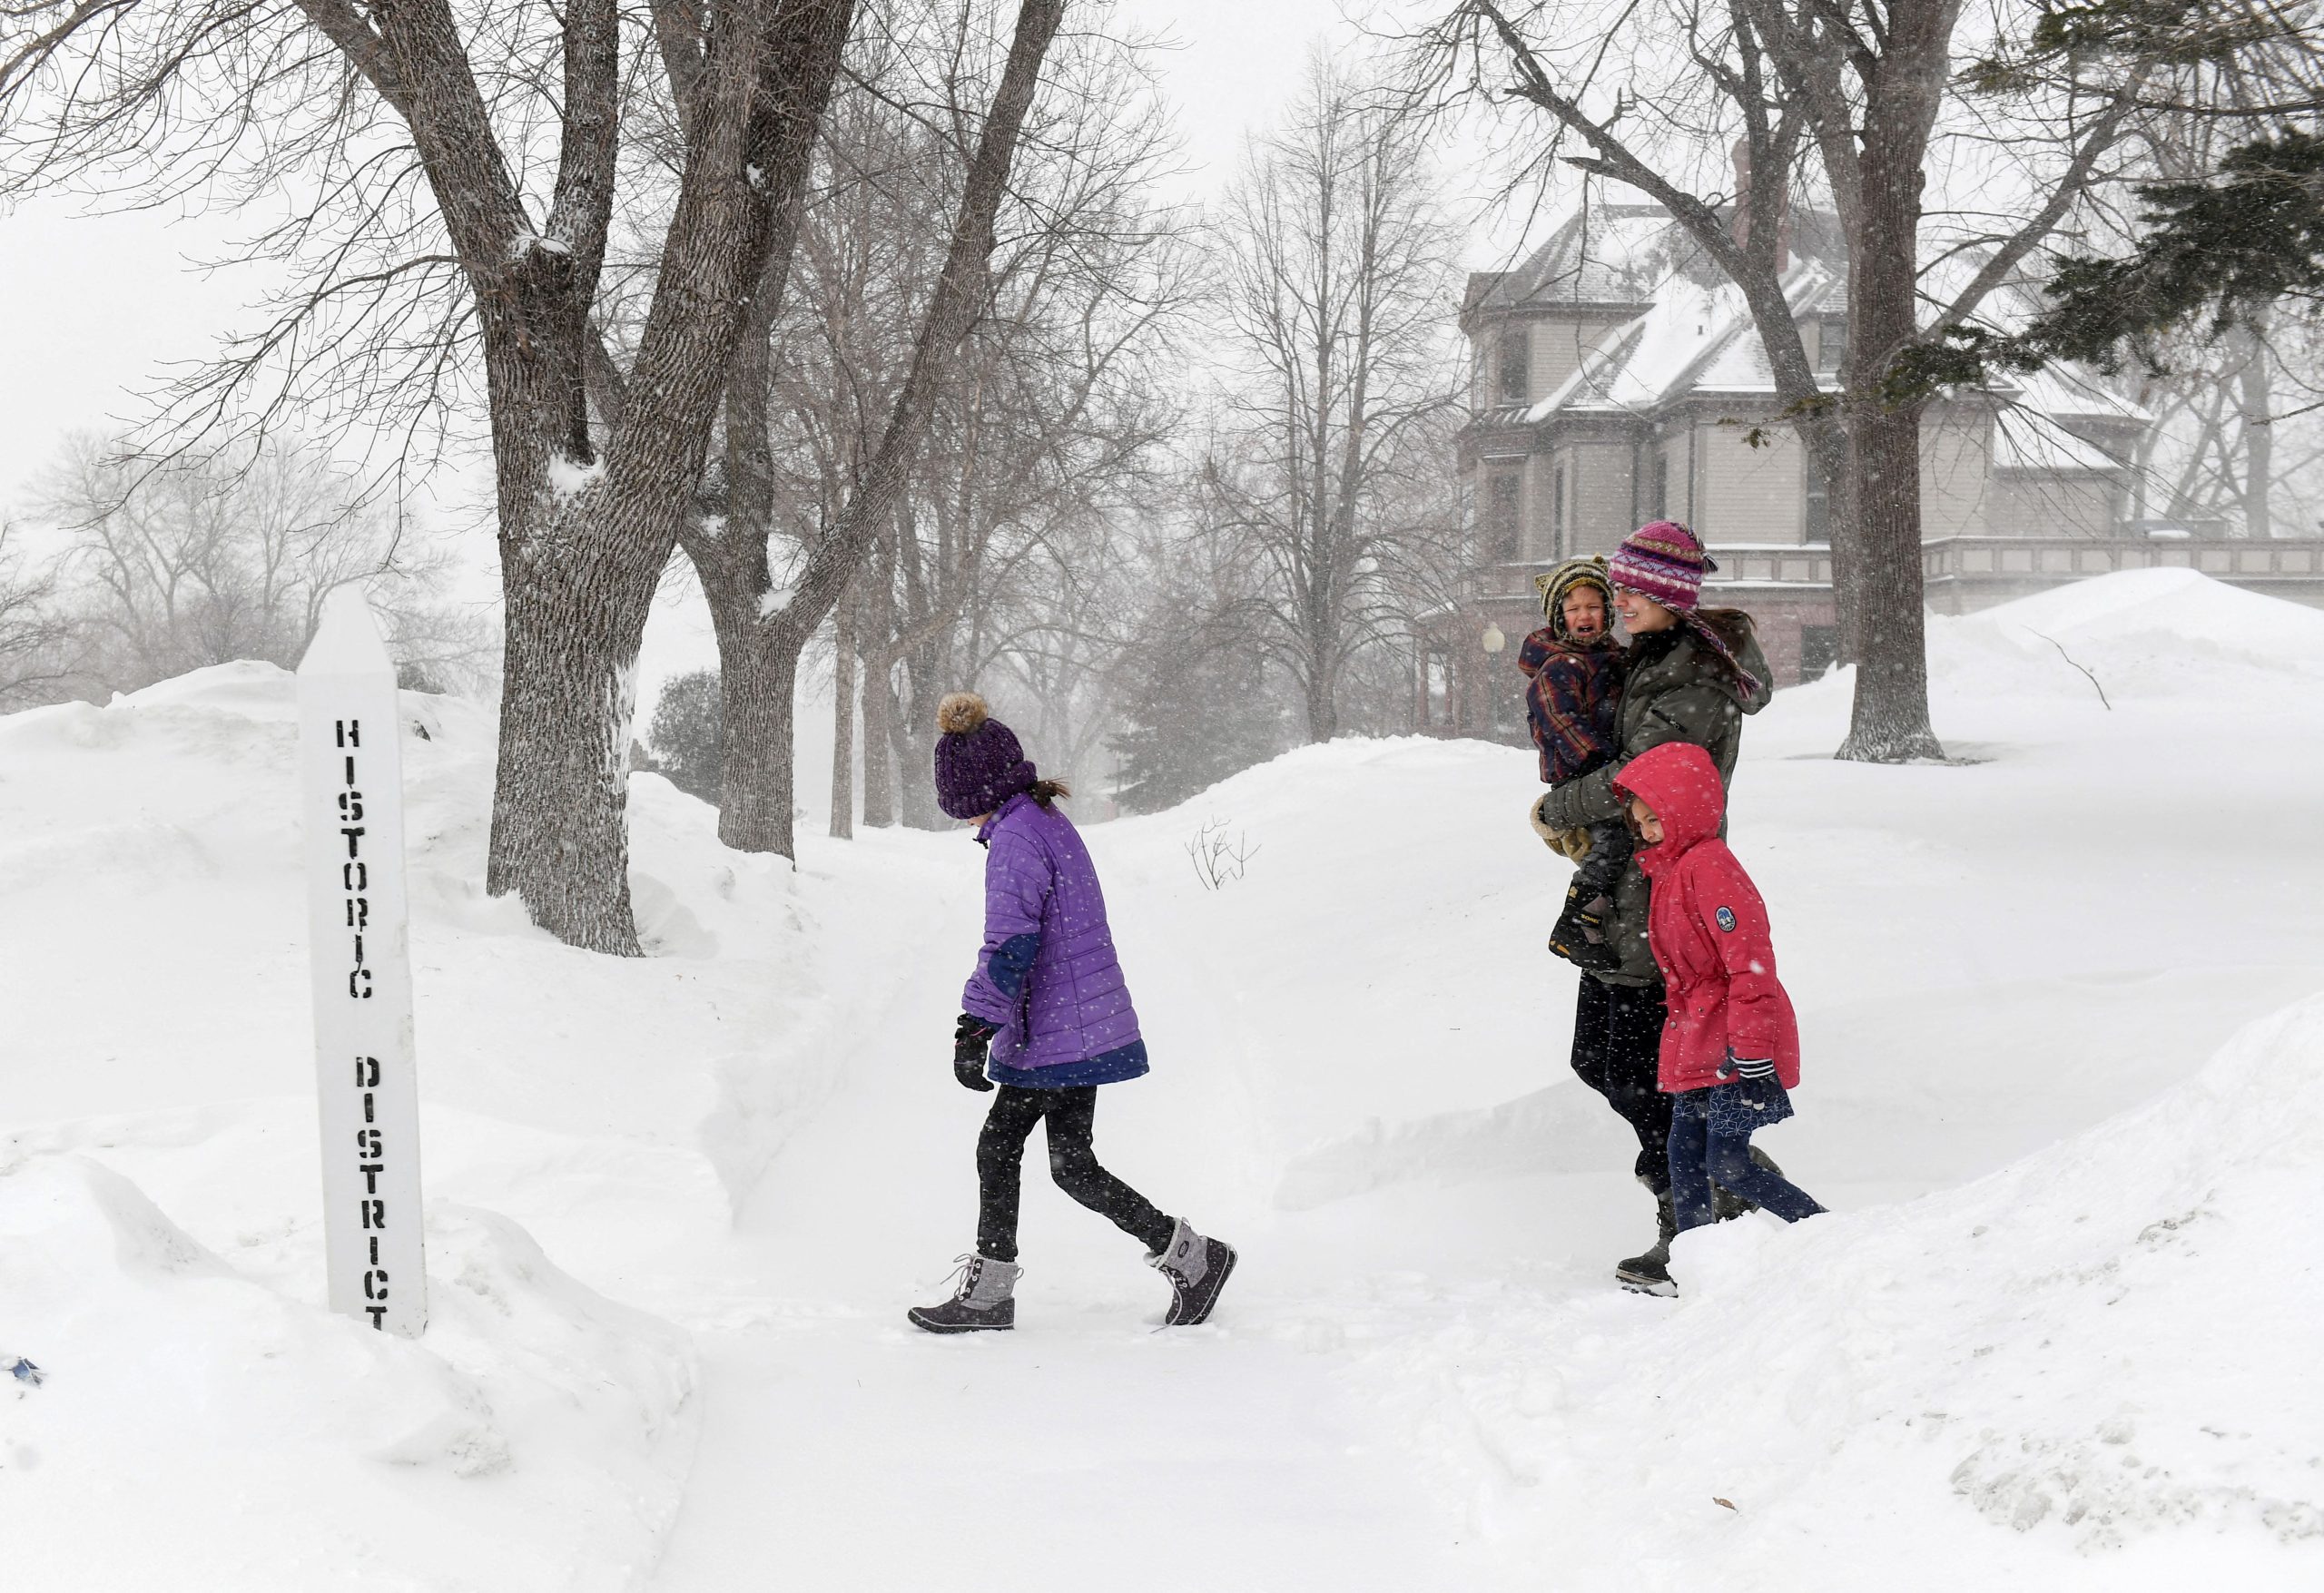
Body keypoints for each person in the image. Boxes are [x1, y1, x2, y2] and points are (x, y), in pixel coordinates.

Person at [908, 691, 1236, 1334]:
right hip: (1067, 1024)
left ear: (970, 788)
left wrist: (974, 1025)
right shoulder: (1040, 818)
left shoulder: (1015, 839)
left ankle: (992, 1295)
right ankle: (1194, 1260)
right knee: (1067, 1164)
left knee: (1006, 1148)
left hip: (1060, 1028)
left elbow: (1011, 942)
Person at [1532, 521, 1775, 1293]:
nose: (1616, 599)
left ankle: (1706, 1208)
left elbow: (1647, 774)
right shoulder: (1649, 657)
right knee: (1599, 1058)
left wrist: (1560, 805)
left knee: (1645, 1069)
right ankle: (1717, 1185)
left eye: (1632, 590)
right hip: (1625, 888)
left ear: (1668, 597)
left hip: (1664, 895)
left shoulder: (1692, 676)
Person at [1611, 739, 1825, 1295]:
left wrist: (1752, 1047)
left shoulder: (1710, 868)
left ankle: (1832, 1237)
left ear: (1686, 809)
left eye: (1656, 818)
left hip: (1736, 1043)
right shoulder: (1670, 870)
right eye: (1641, 822)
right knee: (1683, 1155)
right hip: (1697, 1037)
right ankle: (1699, 1269)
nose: (1649, 831)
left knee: (1727, 1163)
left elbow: (1750, 965)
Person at [1515, 556, 1630, 970]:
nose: (1585, 615)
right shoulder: (1559, 667)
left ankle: (1593, 921)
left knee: (1622, 848)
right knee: (1614, 841)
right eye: (1574, 608)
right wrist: (1603, 761)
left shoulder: (1614, 659)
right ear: (1560, 618)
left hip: (1605, 769)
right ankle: (1574, 921)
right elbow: (1562, 722)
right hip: (1578, 774)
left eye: (1593, 606)